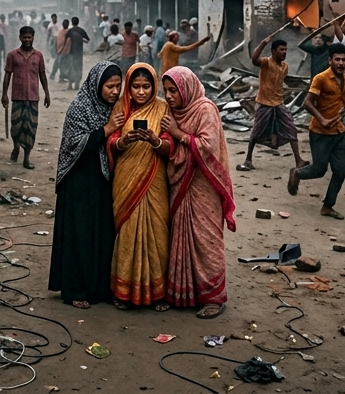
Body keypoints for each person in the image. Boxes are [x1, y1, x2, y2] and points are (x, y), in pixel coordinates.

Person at [160, 66, 237, 317]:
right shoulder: (173, 111)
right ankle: (183, 294)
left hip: (204, 185)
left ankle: (214, 297)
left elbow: (207, 146)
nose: (169, 96)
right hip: (181, 182)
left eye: (174, 91)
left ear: (187, 88)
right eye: (167, 91)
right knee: (180, 236)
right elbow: (169, 146)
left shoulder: (205, 109)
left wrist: (178, 133)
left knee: (206, 240)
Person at [49, 62, 121, 308]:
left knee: (101, 234)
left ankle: (99, 288)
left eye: (117, 87)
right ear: (97, 85)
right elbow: (74, 144)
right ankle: (76, 289)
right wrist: (107, 129)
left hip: (101, 180)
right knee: (79, 236)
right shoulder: (80, 107)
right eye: (109, 86)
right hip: (79, 180)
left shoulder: (114, 108)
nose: (114, 92)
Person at [107, 63, 171, 311]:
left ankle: (158, 293)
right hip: (126, 179)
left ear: (154, 87)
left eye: (146, 86)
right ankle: (124, 292)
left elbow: (171, 145)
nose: (141, 92)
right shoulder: (121, 109)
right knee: (127, 231)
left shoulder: (163, 109)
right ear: (129, 88)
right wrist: (124, 140)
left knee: (157, 231)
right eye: (136, 87)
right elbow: (110, 142)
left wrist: (156, 141)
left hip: (154, 180)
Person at [290, 43, 345, 219]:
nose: (341, 63)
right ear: (330, 60)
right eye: (337, 59)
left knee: (340, 172)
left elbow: (343, 103)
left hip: (338, 131)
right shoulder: (321, 78)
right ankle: (297, 173)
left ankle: (327, 206)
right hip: (320, 132)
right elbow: (307, 103)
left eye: (343, 60)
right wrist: (323, 119)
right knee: (319, 170)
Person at [239, 36, 304, 171]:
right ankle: (248, 160)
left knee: (291, 128)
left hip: (279, 103)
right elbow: (254, 60)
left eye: (286, 50)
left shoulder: (285, 67)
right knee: (256, 132)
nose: (284, 52)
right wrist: (263, 43)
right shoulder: (266, 62)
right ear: (273, 51)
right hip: (264, 103)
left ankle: (299, 160)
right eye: (281, 50)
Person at [2, 26, 50, 169]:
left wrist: (47, 94)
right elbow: (7, 74)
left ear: (33, 37)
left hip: (33, 98)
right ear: (20, 38)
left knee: (31, 128)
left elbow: (42, 75)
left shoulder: (38, 56)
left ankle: (26, 158)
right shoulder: (12, 55)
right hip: (17, 97)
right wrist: (4, 93)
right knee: (16, 126)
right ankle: (16, 147)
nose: (27, 40)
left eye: (29, 37)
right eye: (24, 37)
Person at [67, 16, 91, 86]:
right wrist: (81, 39)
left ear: (72, 22)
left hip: (71, 53)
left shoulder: (70, 31)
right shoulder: (81, 30)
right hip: (79, 53)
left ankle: (70, 84)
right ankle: (77, 84)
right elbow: (87, 40)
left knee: (71, 67)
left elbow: (66, 41)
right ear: (78, 22)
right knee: (78, 67)